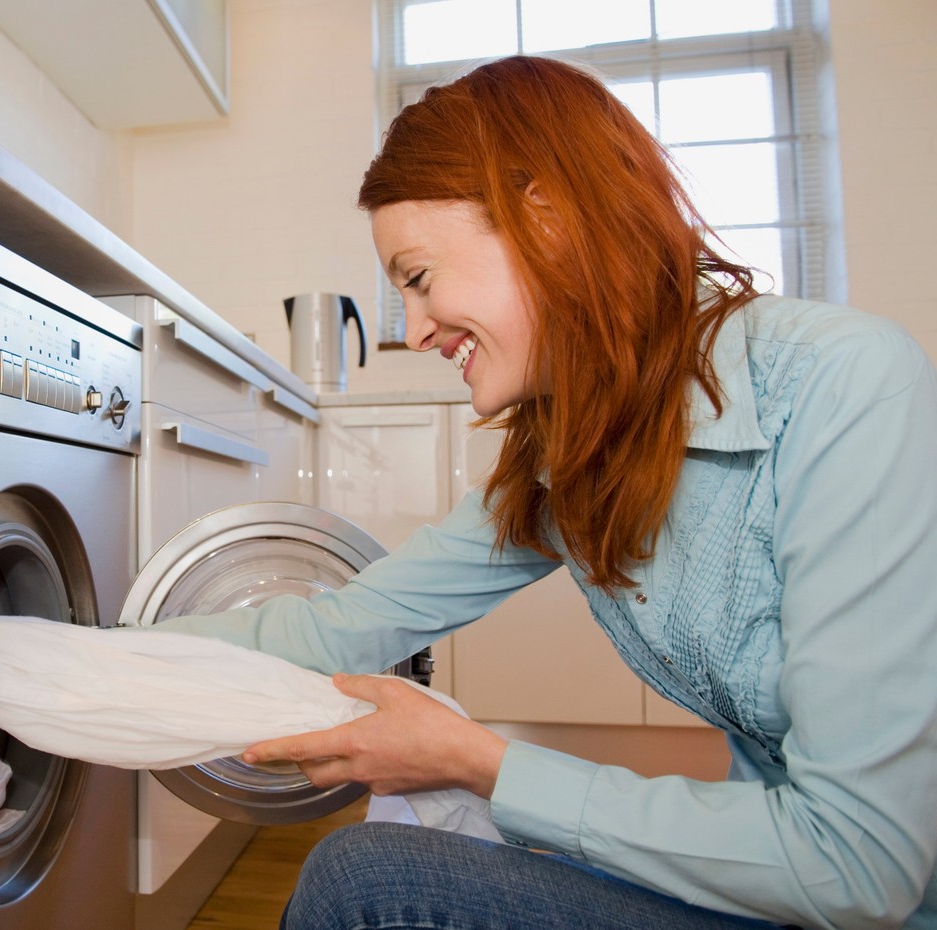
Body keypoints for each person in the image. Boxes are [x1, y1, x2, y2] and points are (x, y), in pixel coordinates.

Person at [154, 55, 937, 929]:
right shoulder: (567, 457)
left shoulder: (842, 387)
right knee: (369, 871)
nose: (412, 331)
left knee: (361, 881)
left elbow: (862, 867)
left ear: (547, 220)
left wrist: (479, 763)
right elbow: (338, 625)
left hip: (871, 903)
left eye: (417, 278)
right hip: (786, 886)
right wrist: (89, 655)